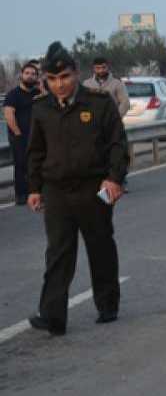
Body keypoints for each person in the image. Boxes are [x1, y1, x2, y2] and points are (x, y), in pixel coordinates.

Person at [26, 42, 128, 335]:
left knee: (100, 246)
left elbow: (118, 145)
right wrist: (34, 188)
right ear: (46, 79)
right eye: (54, 79)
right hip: (56, 190)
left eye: (66, 77)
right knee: (58, 252)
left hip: (93, 187)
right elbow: (35, 151)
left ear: (76, 74)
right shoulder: (41, 109)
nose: (60, 84)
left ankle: (107, 304)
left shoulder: (99, 103)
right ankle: (53, 315)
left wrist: (115, 179)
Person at [3, 61, 42, 205]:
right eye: (27, 73)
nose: (30, 76)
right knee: (20, 165)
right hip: (19, 136)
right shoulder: (13, 95)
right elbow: (8, 114)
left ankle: (38, 192)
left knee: (38, 164)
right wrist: (17, 134)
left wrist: (42, 88)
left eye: (33, 74)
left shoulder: (38, 94)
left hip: (37, 136)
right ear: (21, 75)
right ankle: (21, 195)